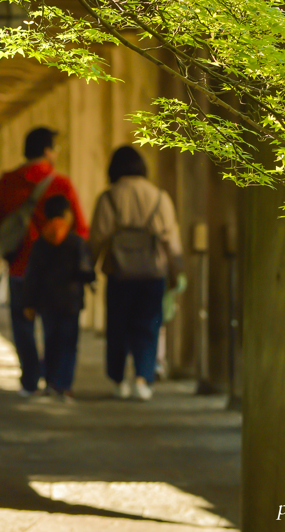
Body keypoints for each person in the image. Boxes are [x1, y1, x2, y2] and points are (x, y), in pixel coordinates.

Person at [0, 127, 89, 396]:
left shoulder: (7, 181)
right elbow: (81, 228)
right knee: (59, 329)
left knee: (23, 326)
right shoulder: (60, 183)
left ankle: (30, 380)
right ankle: (58, 382)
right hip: (58, 274)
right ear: (46, 151)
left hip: (20, 268)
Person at [90, 145, 184, 401]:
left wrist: (89, 268)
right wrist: (177, 270)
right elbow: (170, 239)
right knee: (148, 327)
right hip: (152, 273)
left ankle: (118, 380)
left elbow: (97, 237)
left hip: (119, 274)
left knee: (117, 327)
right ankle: (143, 379)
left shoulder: (108, 197)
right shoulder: (160, 197)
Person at [22, 195, 95, 401]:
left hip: (46, 302)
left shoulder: (40, 243)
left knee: (50, 340)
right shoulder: (76, 242)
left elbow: (31, 276)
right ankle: (65, 384)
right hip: (70, 301)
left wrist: (28, 302)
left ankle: (50, 381)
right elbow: (85, 271)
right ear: (66, 214)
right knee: (69, 343)